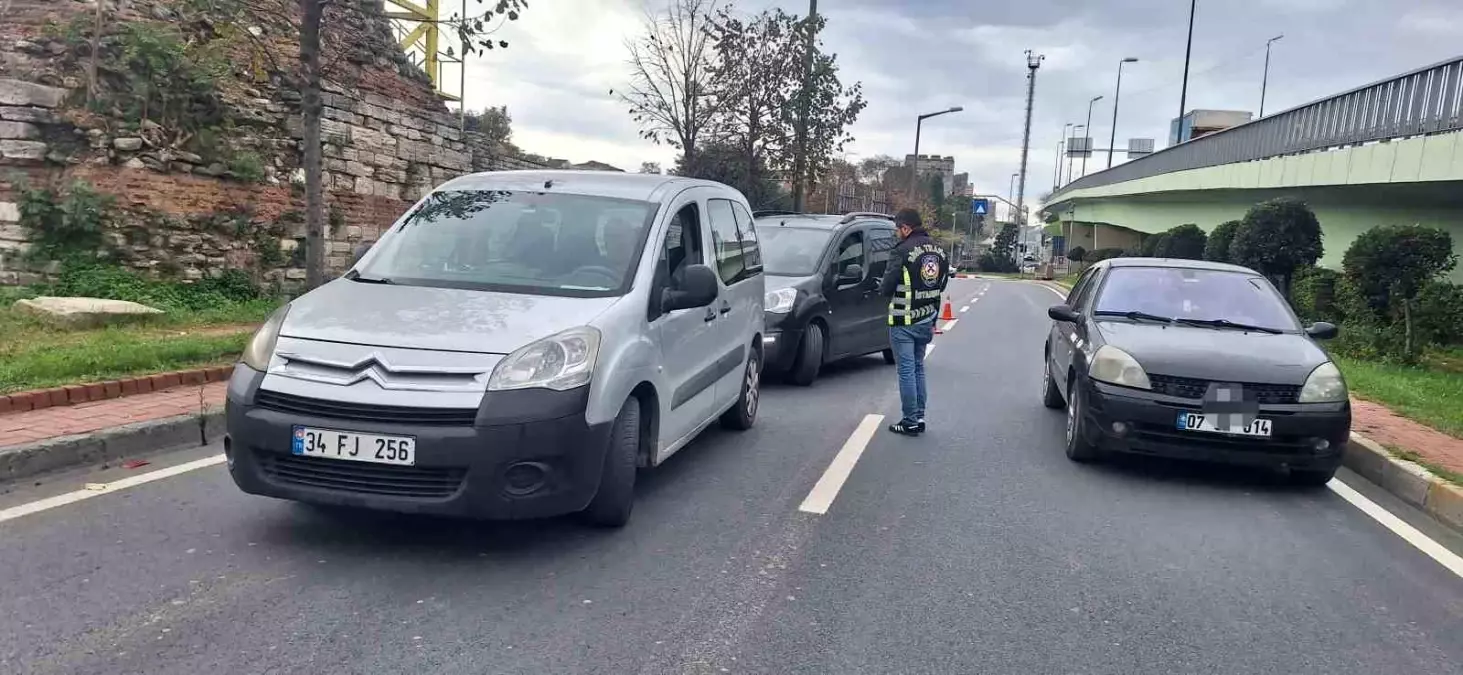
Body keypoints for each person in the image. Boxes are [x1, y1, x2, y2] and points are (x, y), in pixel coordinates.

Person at [878, 208, 949, 436]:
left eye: (898, 229)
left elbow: (887, 286)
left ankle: (908, 421)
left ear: (906, 228)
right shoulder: (939, 250)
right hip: (927, 318)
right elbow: (942, 284)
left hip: (904, 319)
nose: (897, 233)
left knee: (906, 370)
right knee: (919, 367)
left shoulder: (902, 251)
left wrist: (879, 287)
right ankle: (919, 417)